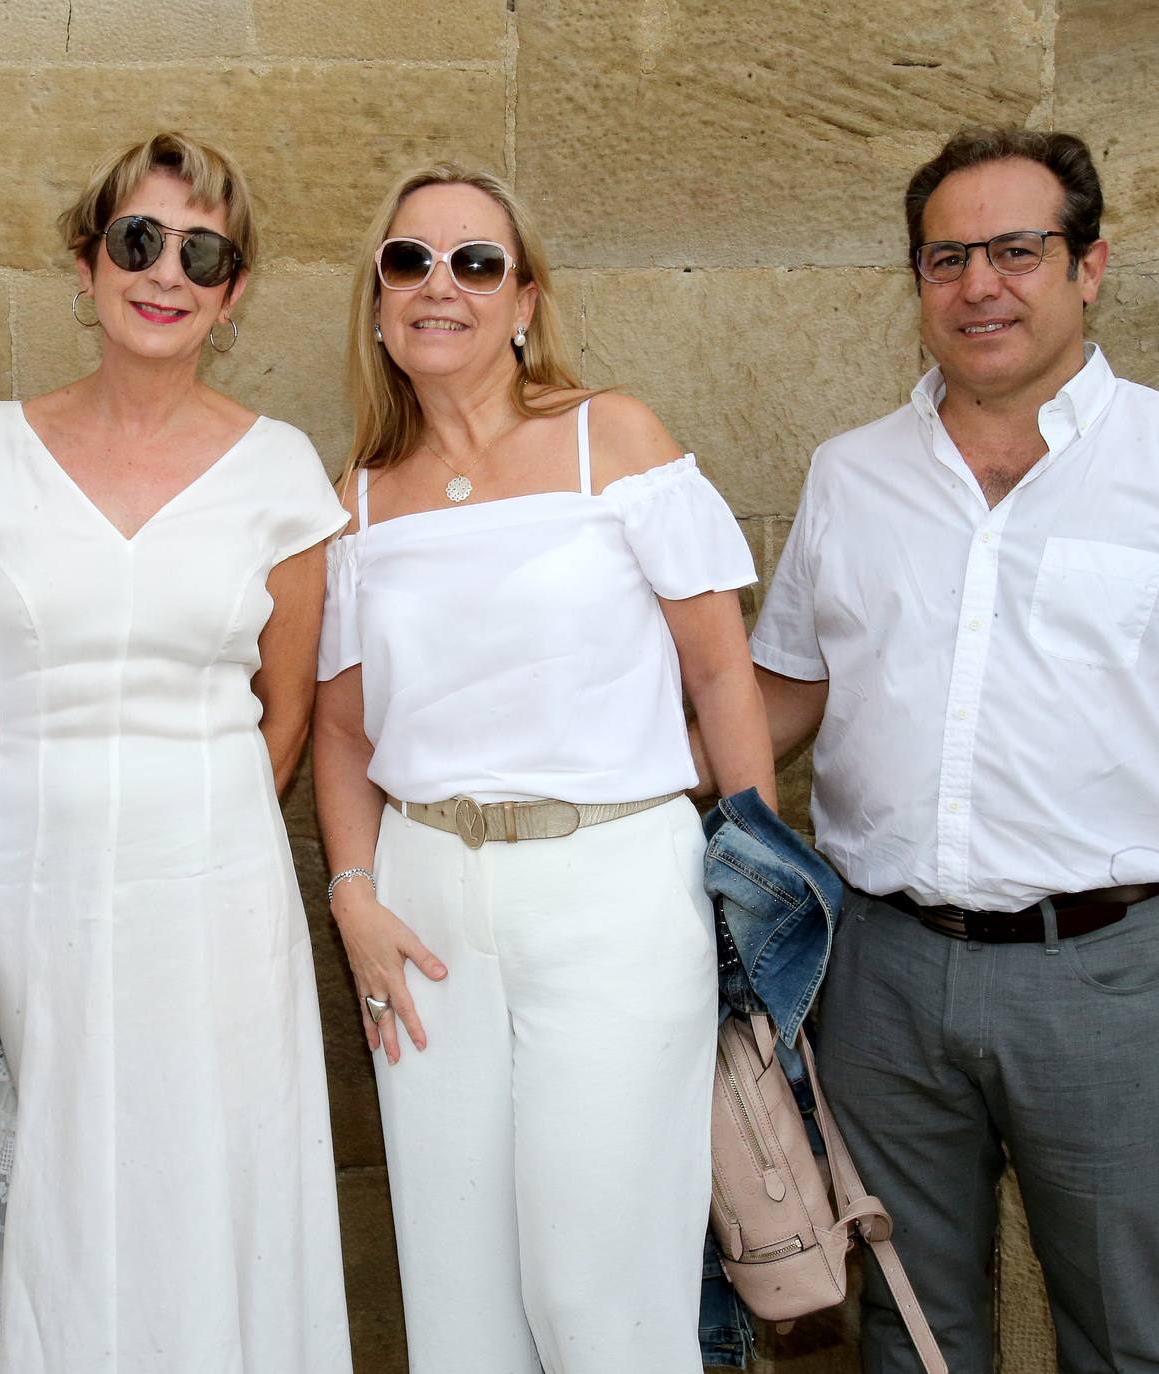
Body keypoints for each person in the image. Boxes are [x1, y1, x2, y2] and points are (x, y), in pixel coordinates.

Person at [749, 128, 1159, 1373]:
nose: (981, 284)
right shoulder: (851, 474)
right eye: (947, 257)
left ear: (1089, 267)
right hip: (880, 978)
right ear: (917, 282)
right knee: (912, 1334)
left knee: (1123, 1339)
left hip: (1105, 982)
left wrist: (1131, 850)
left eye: (1018, 250)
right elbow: (779, 694)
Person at [311, 163, 777, 1374]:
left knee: (598, 1291)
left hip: (614, 880)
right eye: (408, 262)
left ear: (525, 300)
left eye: (475, 262)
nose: (439, 287)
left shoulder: (610, 442)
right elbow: (345, 730)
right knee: (459, 1301)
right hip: (424, 909)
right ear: (377, 303)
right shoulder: (356, 500)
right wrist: (352, 894)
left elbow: (721, 674)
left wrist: (763, 869)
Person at [0, 132, 352, 1373]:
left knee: (218, 1175)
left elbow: (287, 713)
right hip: (42, 889)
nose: (167, 272)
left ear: (230, 295)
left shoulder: (278, 470)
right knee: (74, 1193)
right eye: (139, 240)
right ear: (85, 263)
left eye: (203, 253)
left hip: (216, 891)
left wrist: (193, 821)